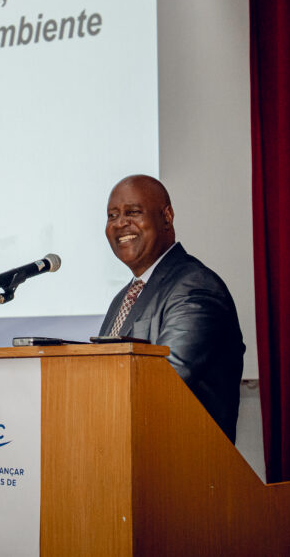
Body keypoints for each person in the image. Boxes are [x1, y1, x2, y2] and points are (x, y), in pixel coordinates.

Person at [99, 175, 245, 441]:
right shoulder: (124, 296)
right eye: (112, 215)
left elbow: (168, 380)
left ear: (167, 216)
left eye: (133, 212)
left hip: (183, 459)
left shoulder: (195, 286)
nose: (120, 223)